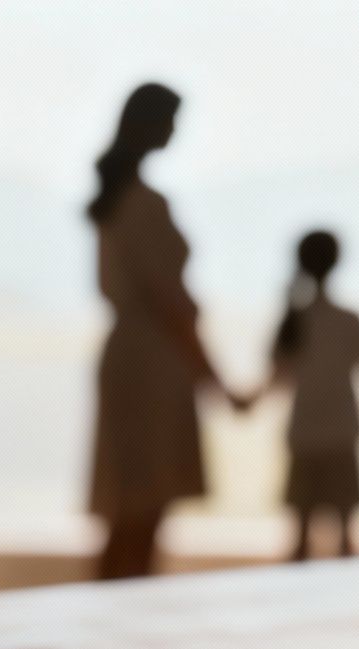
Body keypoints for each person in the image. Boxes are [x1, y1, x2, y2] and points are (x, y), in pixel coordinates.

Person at [85, 82, 237, 580]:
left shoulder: (120, 201)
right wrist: (214, 379)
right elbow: (170, 305)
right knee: (140, 509)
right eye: (170, 121)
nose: (174, 132)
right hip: (149, 366)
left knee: (134, 506)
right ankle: (120, 624)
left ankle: (117, 622)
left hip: (139, 360)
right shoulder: (142, 204)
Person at [252, 230, 359, 561]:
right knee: (345, 539)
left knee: (300, 538)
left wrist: (244, 401)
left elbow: (274, 380)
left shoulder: (293, 321)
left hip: (304, 435)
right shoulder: (346, 320)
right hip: (341, 433)